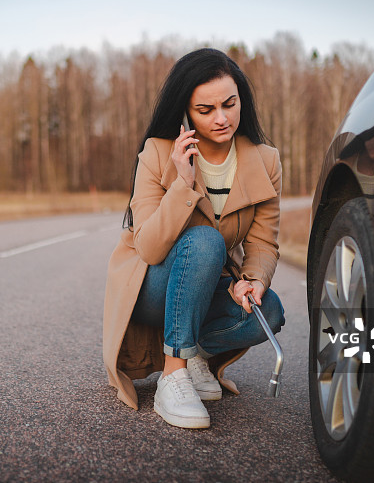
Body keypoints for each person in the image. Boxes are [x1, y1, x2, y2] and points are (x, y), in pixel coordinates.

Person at [101, 48, 285, 429]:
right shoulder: (156, 152)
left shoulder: (266, 160)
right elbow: (149, 248)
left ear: (241, 101)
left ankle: (194, 352)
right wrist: (182, 183)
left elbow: (263, 243)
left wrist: (253, 280)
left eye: (230, 104)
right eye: (206, 110)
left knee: (269, 312)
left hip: (212, 282)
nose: (221, 118)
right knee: (205, 241)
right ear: (185, 112)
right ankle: (173, 375)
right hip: (152, 287)